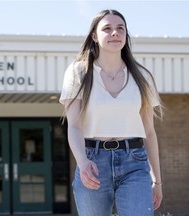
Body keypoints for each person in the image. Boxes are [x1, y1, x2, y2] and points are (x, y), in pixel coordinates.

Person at [59, 9, 163, 216]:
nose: (115, 32)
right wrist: (83, 162)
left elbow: (149, 132)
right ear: (95, 37)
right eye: (107, 28)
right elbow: (75, 125)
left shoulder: (142, 76)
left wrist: (157, 180)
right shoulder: (78, 72)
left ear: (126, 35)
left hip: (134, 161)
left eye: (120, 28)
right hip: (92, 161)